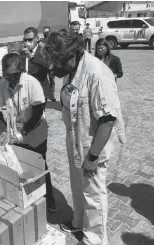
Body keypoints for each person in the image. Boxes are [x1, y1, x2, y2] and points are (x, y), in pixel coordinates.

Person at [43, 31, 126, 245]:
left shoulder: (97, 73)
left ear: (71, 57)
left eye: (56, 63)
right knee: (78, 186)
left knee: (94, 193)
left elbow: (107, 120)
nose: (52, 68)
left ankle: (95, 239)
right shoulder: (72, 70)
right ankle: (79, 222)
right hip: (77, 139)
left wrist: (92, 156)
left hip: (94, 145)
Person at [0, 53, 57, 212]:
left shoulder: (32, 83)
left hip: (35, 135)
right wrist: (3, 132)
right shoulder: (1, 87)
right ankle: (32, 200)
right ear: (3, 73)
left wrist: (23, 131)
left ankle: (49, 200)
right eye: (8, 76)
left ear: (21, 71)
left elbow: (38, 112)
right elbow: (1, 113)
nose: (12, 79)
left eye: (15, 75)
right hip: (17, 138)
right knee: (24, 169)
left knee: (39, 166)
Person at [21, 27, 53, 107]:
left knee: (40, 115)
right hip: (26, 90)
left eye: (30, 40)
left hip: (40, 89)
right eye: (25, 40)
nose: (27, 42)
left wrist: (32, 57)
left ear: (37, 38)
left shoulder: (43, 50)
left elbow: (48, 66)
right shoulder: (22, 52)